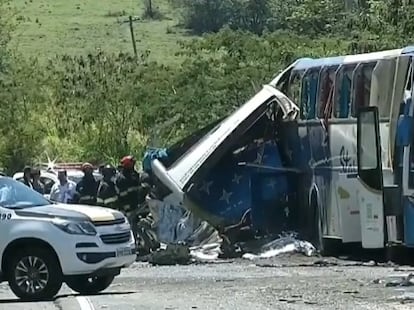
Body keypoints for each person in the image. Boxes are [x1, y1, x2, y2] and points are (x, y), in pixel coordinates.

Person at [116, 155, 141, 240]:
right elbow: (122, 195)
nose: (133, 165)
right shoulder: (121, 178)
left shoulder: (135, 175)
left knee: (136, 225)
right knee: (129, 227)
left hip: (136, 206)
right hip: (127, 208)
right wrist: (127, 208)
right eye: (132, 163)